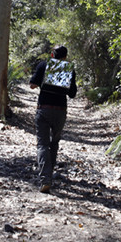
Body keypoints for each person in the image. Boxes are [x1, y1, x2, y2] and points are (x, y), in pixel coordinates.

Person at [29, 45, 77, 193]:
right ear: (65, 56)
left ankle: (45, 179)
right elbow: (72, 94)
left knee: (42, 145)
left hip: (43, 109)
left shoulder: (44, 65)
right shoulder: (69, 69)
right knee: (54, 143)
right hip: (60, 111)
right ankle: (49, 175)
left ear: (52, 54)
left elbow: (32, 85)